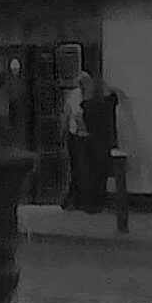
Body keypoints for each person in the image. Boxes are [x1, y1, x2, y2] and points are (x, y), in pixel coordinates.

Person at [82, 77, 122, 212]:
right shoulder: (107, 104)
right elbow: (116, 96)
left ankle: (90, 204)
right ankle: (100, 202)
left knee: (91, 174)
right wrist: (108, 87)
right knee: (102, 175)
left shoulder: (87, 105)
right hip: (104, 142)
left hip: (91, 141)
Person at [58, 71, 90, 211]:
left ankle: (80, 199)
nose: (81, 86)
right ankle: (74, 199)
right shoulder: (74, 95)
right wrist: (62, 133)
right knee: (75, 168)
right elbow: (66, 114)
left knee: (83, 169)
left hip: (87, 137)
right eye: (80, 83)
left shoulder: (91, 96)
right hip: (74, 135)